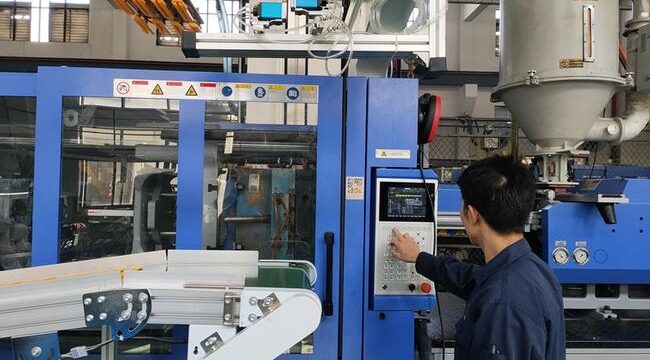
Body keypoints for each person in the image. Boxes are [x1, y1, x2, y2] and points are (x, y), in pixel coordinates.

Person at [390, 155, 565, 360]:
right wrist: (419, 258)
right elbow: (471, 278)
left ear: (473, 214)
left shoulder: (501, 304)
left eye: (461, 206)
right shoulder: (532, 270)